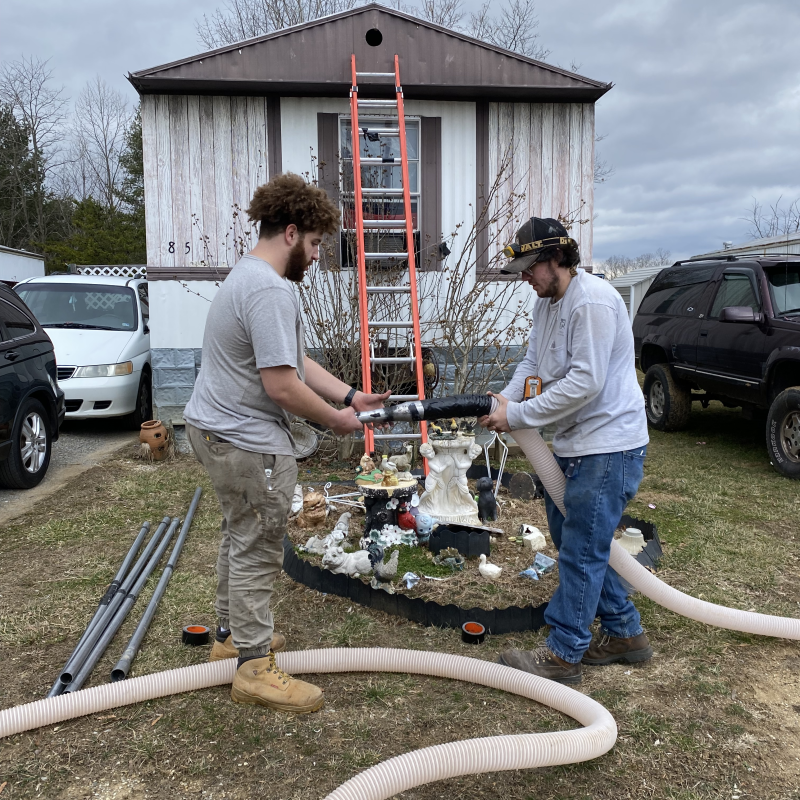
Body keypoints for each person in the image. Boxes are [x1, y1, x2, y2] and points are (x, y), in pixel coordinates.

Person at [184, 173, 389, 713]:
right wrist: (336, 422)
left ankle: (231, 636)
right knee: (258, 544)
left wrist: (351, 396)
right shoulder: (270, 288)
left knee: (239, 532)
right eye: (317, 244)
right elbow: (281, 387)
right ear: (292, 232)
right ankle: (252, 668)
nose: (319, 256)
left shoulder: (247, 278)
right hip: (247, 442)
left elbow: (294, 364)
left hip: (215, 430)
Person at [478, 217, 650, 685]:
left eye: (530, 267)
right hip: (577, 443)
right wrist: (503, 403)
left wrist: (517, 417)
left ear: (556, 259)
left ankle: (563, 654)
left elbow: (585, 382)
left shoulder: (590, 303)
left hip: (610, 444)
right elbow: (533, 362)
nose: (525, 278)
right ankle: (624, 633)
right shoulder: (548, 304)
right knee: (577, 539)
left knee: (582, 548)